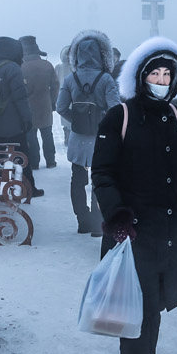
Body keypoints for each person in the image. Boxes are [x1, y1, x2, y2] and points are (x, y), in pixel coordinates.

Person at [92, 37, 177, 354]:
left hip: (168, 225)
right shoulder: (118, 116)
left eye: (167, 73)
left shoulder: (175, 116)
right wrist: (117, 215)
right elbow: (102, 172)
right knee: (135, 300)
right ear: (140, 76)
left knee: (157, 299)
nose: (161, 78)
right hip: (133, 227)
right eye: (155, 72)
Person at [56, 29, 120, 235]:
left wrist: (76, 118)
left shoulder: (70, 79)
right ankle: (96, 223)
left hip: (78, 137)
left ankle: (82, 221)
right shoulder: (106, 79)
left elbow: (60, 107)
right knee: (100, 179)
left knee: (78, 179)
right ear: (103, 55)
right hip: (101, 139)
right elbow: (115, 108)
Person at [0, 36, 41, 198]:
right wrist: (27, 119)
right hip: (13, 124)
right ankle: (29, 188)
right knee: (23, 155)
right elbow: (21, 98)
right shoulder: (12, 68)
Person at [18, 35, 59, 170]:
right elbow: (55, 85)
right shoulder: (47, 65)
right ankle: (51, 161)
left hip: (28, 108)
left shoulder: (20, 67)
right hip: (45, 105)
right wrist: (53, 102)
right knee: (47, 134)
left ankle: (34, 162)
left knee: (31, 136)